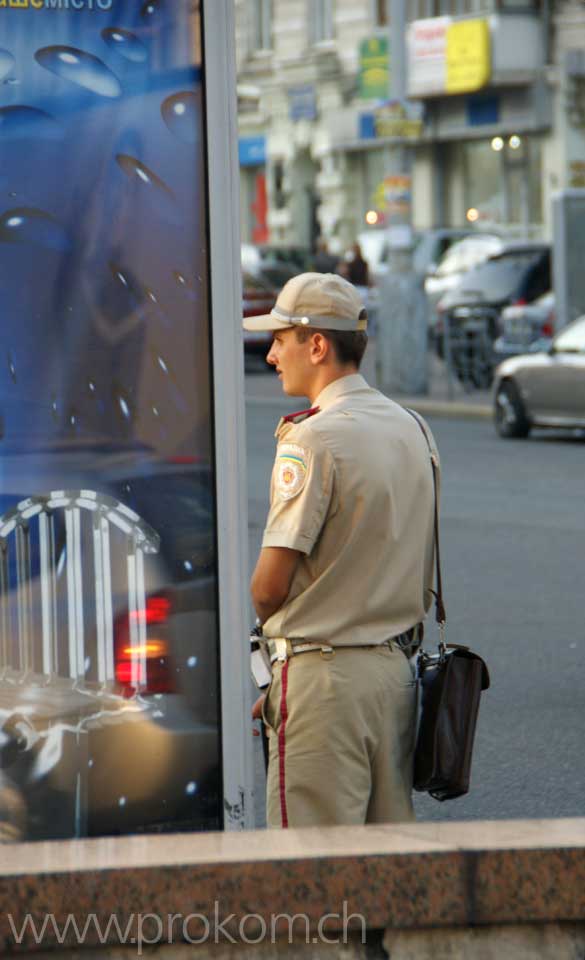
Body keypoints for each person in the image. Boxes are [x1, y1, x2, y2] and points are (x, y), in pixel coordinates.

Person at [243, 272, 439, 828]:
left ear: (318, 345)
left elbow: (268, 587)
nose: (272, 354)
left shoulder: (312, 438)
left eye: (280, 339)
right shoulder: (413, 427)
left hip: (324, 683)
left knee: (313, 884)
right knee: (385, 875)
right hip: (394, 678)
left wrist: (290, 675)